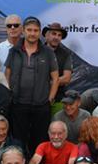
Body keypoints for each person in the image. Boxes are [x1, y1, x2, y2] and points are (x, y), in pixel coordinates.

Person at [5, 16, 59, 154]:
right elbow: (7, 74)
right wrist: (9, 94)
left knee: (39, 141)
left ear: (39, 32)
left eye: (35, 30)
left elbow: (55, 77)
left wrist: (50, 98)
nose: (32, 33)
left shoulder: (47, 52)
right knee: (18, 140)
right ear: (23, 31)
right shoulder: (14, 51)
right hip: (18, 104)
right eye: (29, 30)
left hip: (41, 105)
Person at [43, 22, 73, 115]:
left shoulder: (66, 55)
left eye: (59, 35)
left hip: (58, 99)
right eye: (54, 34)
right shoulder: (37, 51)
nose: (56, 37)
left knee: (57, 127)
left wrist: (47, 83)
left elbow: (67, 78)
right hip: (37, 100)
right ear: (46, 35)